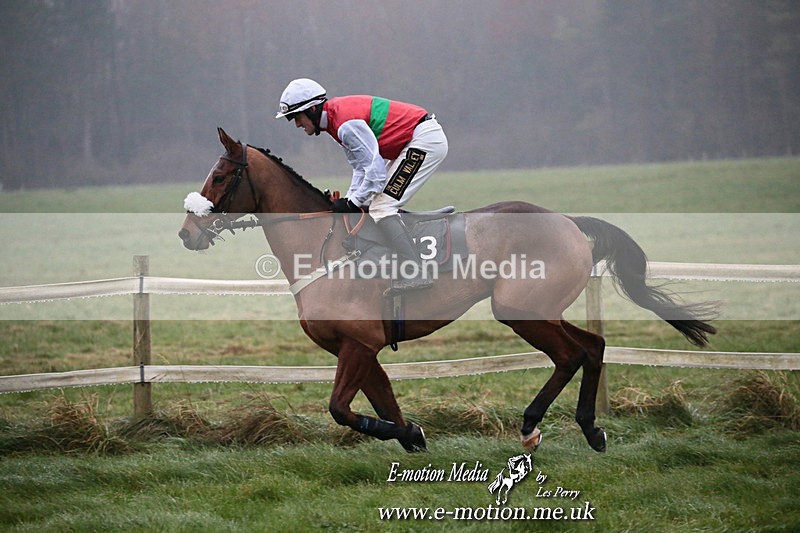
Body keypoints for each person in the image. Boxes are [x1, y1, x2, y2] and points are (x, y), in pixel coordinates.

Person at [275, 78, 448, 292]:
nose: (297, 124)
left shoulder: (345, 124)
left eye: (296, 117)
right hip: (412, 140)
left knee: (382, 206)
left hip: (424, 141)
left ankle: (416, 273)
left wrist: (353, 202)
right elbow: (360, 167)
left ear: (311, 109)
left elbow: (375, 173)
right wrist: (350, 199)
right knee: (376, 202)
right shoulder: (335, 121)